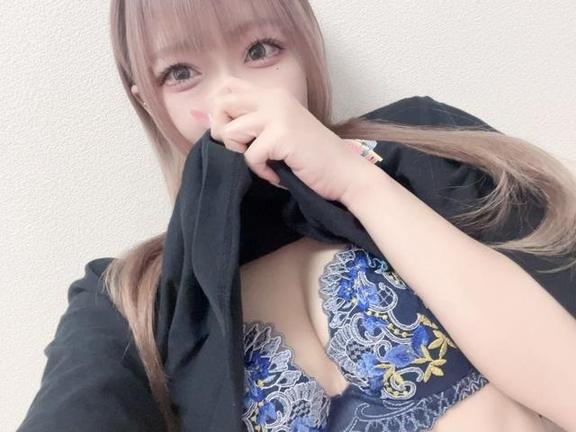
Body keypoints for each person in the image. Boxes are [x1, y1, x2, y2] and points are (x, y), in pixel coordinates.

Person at [17, 1, 576, 431]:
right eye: (181, 72)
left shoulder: (428, 144)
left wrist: (357, 181)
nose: (231, 95)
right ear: (149, 100)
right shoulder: (128, 299)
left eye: (261, 49)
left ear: (306, 47)